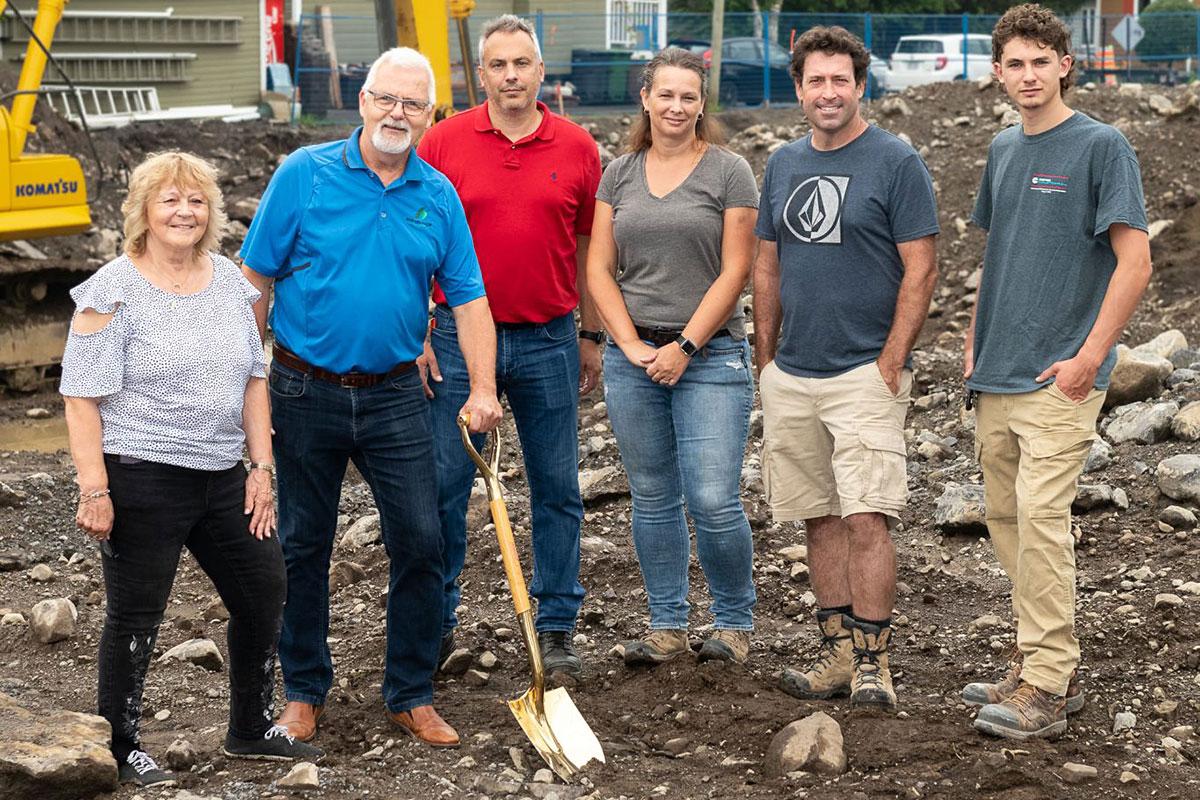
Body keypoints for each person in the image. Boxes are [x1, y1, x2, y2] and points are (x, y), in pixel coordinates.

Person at [239, 47, 503, 749]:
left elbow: (470, 299)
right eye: (386, 98)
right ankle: (302, 693)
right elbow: (253, 283)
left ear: (429, 115)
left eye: (413, 104)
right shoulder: (305, 175)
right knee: (302, 544)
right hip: (303, 388)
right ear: (362, 101)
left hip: (394, 395)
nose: (397, 113)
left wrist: (482, 387)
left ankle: (411, 692)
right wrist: (237, 384)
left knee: (423, 538)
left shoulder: (436, 195)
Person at [61, 152, 322, 788]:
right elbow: (80, 396)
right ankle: (122, 744)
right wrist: (94, 487)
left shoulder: (234, 285)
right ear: (144, 212)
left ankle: (251, 728)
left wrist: (260, 468)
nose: (185, 212)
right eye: (170, 200)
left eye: (197, 201)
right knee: (136, 614)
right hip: (142, 475)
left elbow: (255, 381)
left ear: (211, 213)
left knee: (263, 591)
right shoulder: (111, 290)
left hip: (224, 476)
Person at [963, 4, 1150, 740]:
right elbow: (995, 254)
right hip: (997, 373)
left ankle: (1047, 681)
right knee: (1009, 524)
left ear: (1066, 64)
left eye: (1042, 59)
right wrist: (973, 346)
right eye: (1016, 62)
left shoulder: (1102, 146)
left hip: (1059, 376)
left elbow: (1134, 262)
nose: (1029, 74)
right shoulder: (1003, 149)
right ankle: (1040, 660)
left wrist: (1088, 359)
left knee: (1042, 521)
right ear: (1000, 72)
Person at [754, 27, 939, 708]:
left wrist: (892, 359)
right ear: (798, 89)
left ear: (861, 86)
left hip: (865, 371)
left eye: (841, 80)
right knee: (818, 517)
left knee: (868, 517)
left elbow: (921, 266)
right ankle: (834, 655)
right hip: (793, 373)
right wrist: (765, 358)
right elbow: (767, 263)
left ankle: (873, 661)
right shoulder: (782, 164)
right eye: (815, 81)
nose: (828, 93)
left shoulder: (896, 161)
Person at [416, 14, 602, 679]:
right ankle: (432, 627)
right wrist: (418, 331)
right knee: (445, 487)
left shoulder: (578, 147)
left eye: (522, 63)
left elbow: (586, 248)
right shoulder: (441, 144)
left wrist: (590, 333)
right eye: (498, 65)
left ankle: (556, 629)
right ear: (482, 73)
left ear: (541, 71)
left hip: (550, 338)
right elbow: (414, 244)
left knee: (556, 491)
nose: (511, 76)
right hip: (458, 342)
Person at [586, 47, 759, 666]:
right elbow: (599, 267)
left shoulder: (729, 171)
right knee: (654, 495)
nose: (676, 107)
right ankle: (666, 624)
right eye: (666, 95)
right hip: (633, 359)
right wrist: (629, 343)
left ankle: (734, 620)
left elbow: (737, 269)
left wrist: (686, 345)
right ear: (646, 99)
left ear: (701, 103)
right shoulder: (620, 174)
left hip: (710, 357)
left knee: (713, 496)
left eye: (689, 96)